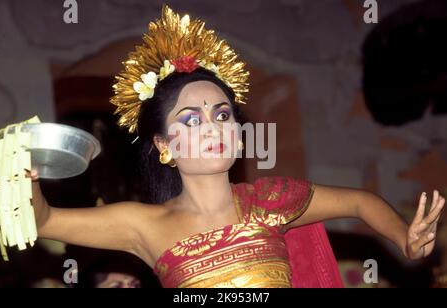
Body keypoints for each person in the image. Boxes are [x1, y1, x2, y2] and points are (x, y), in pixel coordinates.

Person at [29, 5, 444, 288]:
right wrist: (20, 170)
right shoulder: (144, 225)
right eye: (191, 119)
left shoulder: (273, 200)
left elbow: (358, 203)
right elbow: (43, 220)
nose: (213, 127)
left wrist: (403, 238)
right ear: (163, 145)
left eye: (223, 115)